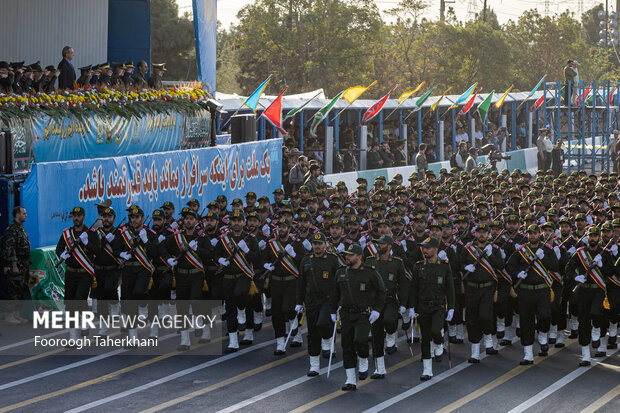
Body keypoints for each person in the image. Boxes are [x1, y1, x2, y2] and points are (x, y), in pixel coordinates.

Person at [330, 243, 386, 391]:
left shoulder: (370, 272)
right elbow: (335, 293)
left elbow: (381, 292)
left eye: (350, 255)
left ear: (359, 256)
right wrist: (332, 310)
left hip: (362, 314)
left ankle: (363, 358)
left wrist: (377, 310)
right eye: (346, 255)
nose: (347, 257)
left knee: (360, 339)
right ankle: (350, 380)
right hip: (346, 314)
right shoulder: (341, 272)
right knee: (347, 345)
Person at [506, 224, 559, 365]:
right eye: (530, 233)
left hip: (542, 290)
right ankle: (528, 354)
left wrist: (544, 259)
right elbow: (509, 265)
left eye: (535, 233)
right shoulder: (521, 250)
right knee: (526, 321)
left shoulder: (547, 250)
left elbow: (555, 266)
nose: (533, 236)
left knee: (545, 316)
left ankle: (542, 336)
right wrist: (517, 274)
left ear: (539, 234)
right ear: (527, 235)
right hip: (525, 290)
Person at [408, 237, 455, 381]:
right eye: (423, 248)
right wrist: (411, 307)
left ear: (436, 249)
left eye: (428, 248)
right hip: (423, 306)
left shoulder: (444, 266)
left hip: (438, 306)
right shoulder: (418, 266)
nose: (425, 250)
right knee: (425, 338)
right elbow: (414, 288)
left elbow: (450, 288)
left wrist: (451, 307)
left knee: (436, 331)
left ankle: (439, 343)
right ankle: (427, 370)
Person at [565, 227, 614, 366]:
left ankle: (597, 330)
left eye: (595, 236)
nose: (592, 238)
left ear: (599, 238)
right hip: (584, 291)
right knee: (584, 323)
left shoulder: (604, 253)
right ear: (587, 237)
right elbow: (568, 268)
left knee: (596, 313)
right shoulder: (580, 253)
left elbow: (611, 272)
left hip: (598, 290)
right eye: (590, 236)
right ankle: (585, 355)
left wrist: (602, 265)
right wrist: (576, 277)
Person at [162, 207, 209, 350]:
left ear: (195, 221)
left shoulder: (202, 237)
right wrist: (168, 259)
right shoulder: (176, 237)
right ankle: (184, 340)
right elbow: (161, 248)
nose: (188, 221)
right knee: (181, 306)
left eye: (191, 218)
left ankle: (200, 323)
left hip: (196, 274)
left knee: (195, 300)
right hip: (181, 275)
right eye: (186, 218)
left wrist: (197, 250)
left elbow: (209, 254)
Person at [296, 232, 341, 376]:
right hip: (311, 300)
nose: (317, 246)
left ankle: (327, 341)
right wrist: (298, 301)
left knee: (324, 323)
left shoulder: (332, 260)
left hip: (327, 299)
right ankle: (314, 365)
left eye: (320, 244)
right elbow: (301, 283)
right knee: (312, 332)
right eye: (315, 244)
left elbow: (339, 280)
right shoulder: (306, 260)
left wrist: (340, 300)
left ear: (325, 245)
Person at [365, 235, 409, 378]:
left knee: (390, 321)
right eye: (378, 244)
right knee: (376, 334)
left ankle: (391, 333)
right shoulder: (370, 261)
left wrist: (403, 303)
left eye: (382, 244)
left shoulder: (396, 263)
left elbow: (403, 284)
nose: (379, 246)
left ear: (389, 246)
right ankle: (380, 368)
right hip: (374, 302)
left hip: (390, 300)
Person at [56, 207, 99, 343]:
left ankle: (84, 322)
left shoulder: (91, 233)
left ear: (83, 217)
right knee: (69, 303)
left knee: (79, 299)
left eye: (79, 215)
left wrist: (87, 242)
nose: (76, 218)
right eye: (74, 215)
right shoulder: (67, 233)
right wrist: (61, 254)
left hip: (85, 273)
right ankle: (73, 337)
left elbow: (98, 250)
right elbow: (59, 248)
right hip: (71, 272)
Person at [263, 218, 305, 355]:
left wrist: (294, 254)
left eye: (284, 227)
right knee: (276, 313)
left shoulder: (296, 244)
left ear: (289, 229)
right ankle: (280, 342)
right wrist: (266, 265)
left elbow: (304, 261)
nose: (281, 229)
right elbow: (263, 258)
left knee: (288, 307)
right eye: (279, 227)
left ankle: (295, 328)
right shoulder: (272, 244)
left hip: (291, 281)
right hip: (276, 282)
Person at [3, 206, 30, 325]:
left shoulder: (20, 228)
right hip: (16, 264)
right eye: (23, 213)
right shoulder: (11, 229)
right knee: (14, 290)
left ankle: (17, 314)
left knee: (21, 290)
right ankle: (9, 315)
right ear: (17, 215)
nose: (26, 215)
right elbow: (10, 249)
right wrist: (14, 265)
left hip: (23, 264)